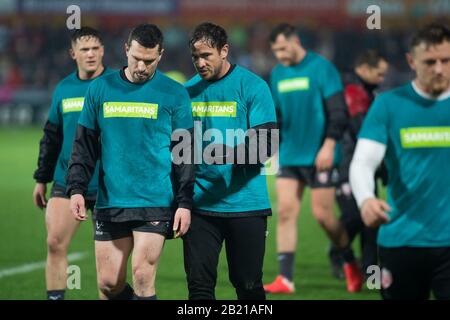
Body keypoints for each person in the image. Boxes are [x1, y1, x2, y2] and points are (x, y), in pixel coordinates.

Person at [66, 24, 193, 300]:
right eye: (136, 58)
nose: (142, 66)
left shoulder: (175, 94)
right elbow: (84, 146)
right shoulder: (100, 89)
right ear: (126, 50)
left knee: (143, 276)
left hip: (155, 201)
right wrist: (76, 188)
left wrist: (184, 203)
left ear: (160, 56)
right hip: (111, 200)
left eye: (149, 61)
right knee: (109, 284)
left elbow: (185, 154)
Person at [350, 23, 450, 300]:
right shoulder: (389, 105)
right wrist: (366, 200)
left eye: (446, 60)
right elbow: (362, 162)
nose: (439, 69)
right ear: (411, 61)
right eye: (430, 62)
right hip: (401, 240)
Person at [264, 23, 361, 294]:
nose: (280, 55)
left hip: (321, 156)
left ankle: (349, 260)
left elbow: (339, 112)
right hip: (291, 155)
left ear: (295, 42)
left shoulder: (322, 68)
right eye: (275, 51)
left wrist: (329, 145)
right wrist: (272, 146)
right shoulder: (277, 73)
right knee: (285, 212)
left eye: (283, 48)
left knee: (323, 216)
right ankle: (285, 279)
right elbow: (278, 116)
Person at [183, 22, 277, 300]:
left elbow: (266, 144)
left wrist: (222, 153)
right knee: (199, 289)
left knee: (248, 286)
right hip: (199, 206)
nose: (200, 63)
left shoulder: (253, 87)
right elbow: (177, 149)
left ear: (224, 51)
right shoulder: (186, 92)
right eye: (195, 57)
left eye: (206, 55)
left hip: (246, 205)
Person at [32, 27, 112, 300]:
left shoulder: (115, 85)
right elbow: (52, 136)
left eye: (95, 48)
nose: (90, 54)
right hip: (67, 180)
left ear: (103, 51)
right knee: (54, 242)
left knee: (110, 269)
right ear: (72, 53)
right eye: (84, 49)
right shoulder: (64, 88)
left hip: (106, 184)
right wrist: (41, 178)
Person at [329, 50, 389, 280]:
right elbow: (361, 130)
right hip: (346, 162)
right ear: (363, 69)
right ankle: (338, 252)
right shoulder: (352, 91)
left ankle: (369, 268)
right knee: (354, 215)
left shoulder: (366, 91)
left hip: (363, 161)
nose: (382, 79)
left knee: (369, 215)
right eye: (379, 74)